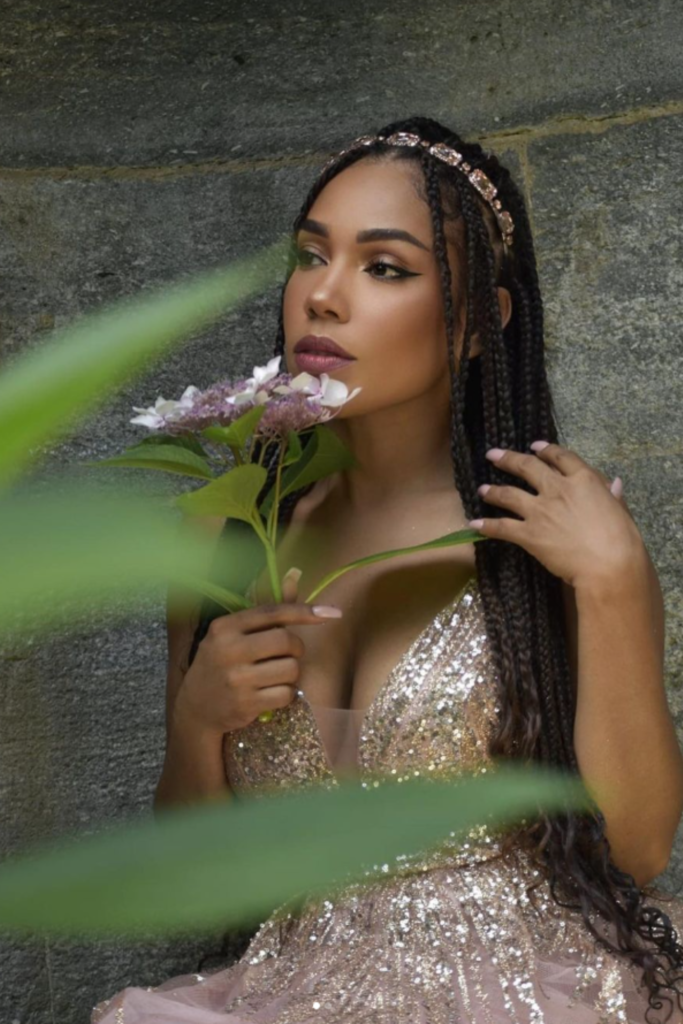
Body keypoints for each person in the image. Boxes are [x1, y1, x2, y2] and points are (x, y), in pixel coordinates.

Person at [91, 116, 683, 1023]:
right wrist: (197, 722)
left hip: (530, 993)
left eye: (384, 267)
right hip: (290, 987)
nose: (323, 297)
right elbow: (201, 885)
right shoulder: (225, 543)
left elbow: (636, 850)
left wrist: (608, 583)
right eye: (308, 255)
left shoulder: (559, 538)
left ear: (482, 320)